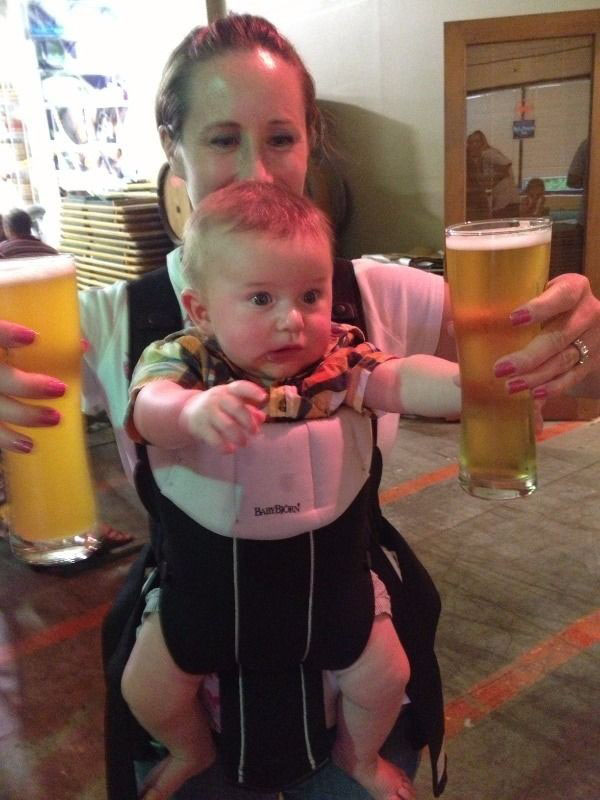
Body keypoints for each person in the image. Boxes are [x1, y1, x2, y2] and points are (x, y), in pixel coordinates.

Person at [0, 13, 598, 800]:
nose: (256, 170)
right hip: (196, 652)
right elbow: (109, 397)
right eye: (222, 139)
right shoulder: (116, 319)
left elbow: (488, 368)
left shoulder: (366, 296)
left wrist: (554, 342)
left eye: (280, 137)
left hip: (350, 656)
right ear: (172, 144)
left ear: (312, 140)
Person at [122, 181, 460, 800]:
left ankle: (358, 756)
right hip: (205, 591)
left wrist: (469, 388)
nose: (292, 319)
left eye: (310, 295)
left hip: (331, 586)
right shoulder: (186, 360)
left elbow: (400, 378)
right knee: (143, 687)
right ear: (202, 310)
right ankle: (191, 749)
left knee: (387, 676)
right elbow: (148, 408)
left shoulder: (338, 358)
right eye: (261, 298)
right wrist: (191, 413)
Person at [466, 130, 521, 219]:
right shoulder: (482, 157)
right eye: (471, 142)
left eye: (477, 141)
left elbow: (506, 165)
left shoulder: (487, 153)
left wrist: (493, 180)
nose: (474, 145)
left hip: (506, 201)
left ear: (483, 142)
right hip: (505, 202)